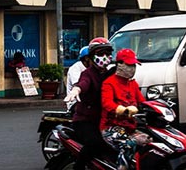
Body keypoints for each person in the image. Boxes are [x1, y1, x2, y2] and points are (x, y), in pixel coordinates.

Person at [62, 37, 113, 170]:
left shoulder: (110, 74)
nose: (105, 57)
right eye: (101, 54)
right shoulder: (87, 74)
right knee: (95, 143)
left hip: (105, 119)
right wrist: (76, 90)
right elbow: (83, 84)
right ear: (91, 57)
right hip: (85, 121)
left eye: (107, 54)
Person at [100, 48, 149, 170]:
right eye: (129, 65)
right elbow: (107, 103)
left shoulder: (132, 83)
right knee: (128, 144)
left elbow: (142, 102)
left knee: (150, 142)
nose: (132, 68)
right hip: (110, 127)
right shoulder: (109, 83)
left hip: (130, 127)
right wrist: (123, 110)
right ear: (119, 64)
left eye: (134, 65)